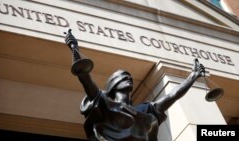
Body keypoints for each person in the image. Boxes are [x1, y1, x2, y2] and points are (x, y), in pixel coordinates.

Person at [65, 31, 205, 141]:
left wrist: (192, 77)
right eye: (123, 77)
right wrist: (74, 49)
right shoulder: (104, 103)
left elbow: (172, 96)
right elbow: (85, 78)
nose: (129, 79)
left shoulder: (146, 109)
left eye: (130, 78)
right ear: (114, 85)